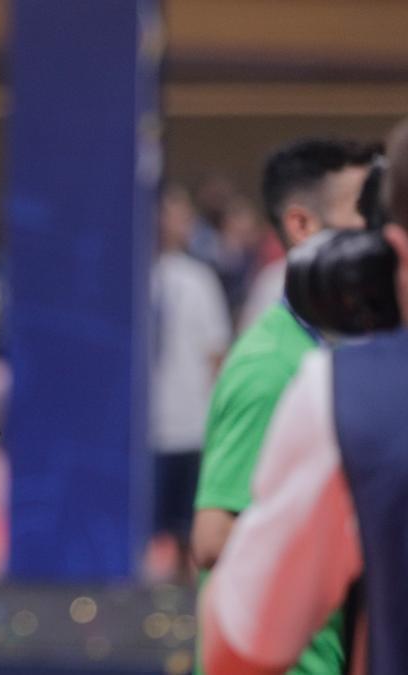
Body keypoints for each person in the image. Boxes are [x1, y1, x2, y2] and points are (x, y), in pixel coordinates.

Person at [198, 116, 408, 675]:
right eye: (361, 212)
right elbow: (213, 536)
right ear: (301, 227)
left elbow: (244, 632)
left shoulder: (342, 387)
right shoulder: (279, 367)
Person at [148, 183, 231, 582]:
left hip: (188, 424)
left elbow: (216, 353)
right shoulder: (124, 278)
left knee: (186, 530)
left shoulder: (198, 279)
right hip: (141, 428)